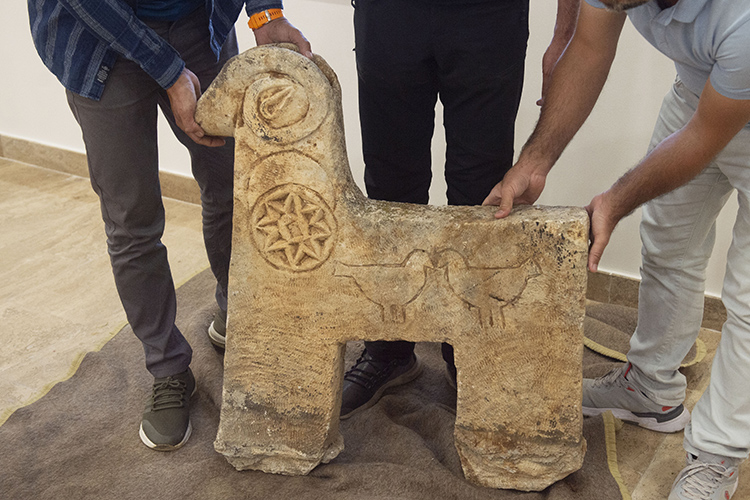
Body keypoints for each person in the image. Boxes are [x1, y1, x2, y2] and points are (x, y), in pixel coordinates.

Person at [483, 1, 750, 498]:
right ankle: (651, 389)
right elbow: (587, 51)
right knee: (669, 243)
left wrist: (614, 201)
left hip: (729, 104)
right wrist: (534, 162)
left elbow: (703, 138)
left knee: (749, 299)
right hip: (702, 94)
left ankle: (718, 452)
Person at [28, 0, 311, 451]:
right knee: (132, 220)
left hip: (198, 24)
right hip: (100, 39)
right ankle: (168, 368)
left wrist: (265, 14)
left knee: (233, 187)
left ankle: (237, 315)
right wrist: (169, 71)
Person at [341, 0, 581, 419]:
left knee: (482, 193)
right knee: (390, 186)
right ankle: (389, 349)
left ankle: (467, 349)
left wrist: (565, 34)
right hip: (388, 15)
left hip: (487, 17)